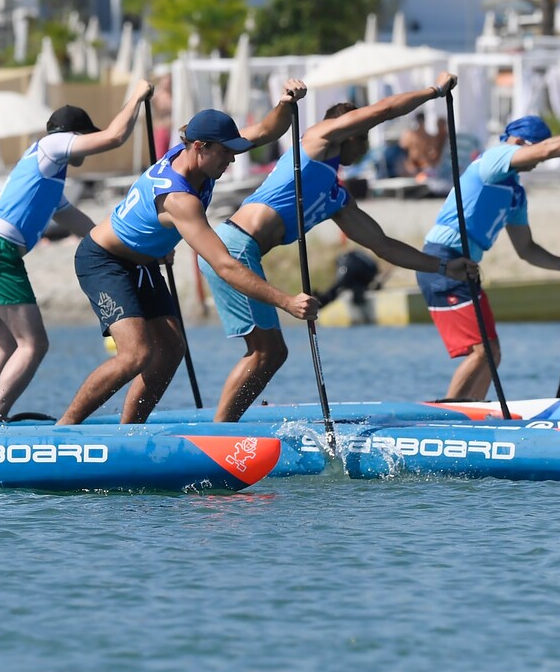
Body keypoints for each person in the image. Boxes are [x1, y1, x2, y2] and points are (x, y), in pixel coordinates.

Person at [198, 72, 478, 421]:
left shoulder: (336, 197)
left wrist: (443, 267)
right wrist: (434, 91)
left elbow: (383, 245)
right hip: (233, 249)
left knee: (270, 353)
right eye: (364, 139)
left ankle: (225, 428)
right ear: (350, 134)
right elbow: (385, 109)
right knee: (265, 352)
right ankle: (221, 433)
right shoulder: (318, 140)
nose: (366, 147)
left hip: (242, 252)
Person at [55, 83, 320, 427]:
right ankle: (64, 430)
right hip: (103, 260)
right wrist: (286, 302)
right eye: (227, 152)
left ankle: (128, 435)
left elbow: (269, 130)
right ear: (200, 147)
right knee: (136, 354)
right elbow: (225, 265)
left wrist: (285, 103)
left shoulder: (201, 156)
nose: (233, 159)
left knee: (171, 349)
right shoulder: (180, 198)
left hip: (144, 263)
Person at [0, 82, 154, 424]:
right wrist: (135, 97)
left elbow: (88, 230)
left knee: (5, 344)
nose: (83, 147)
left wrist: (133, 250)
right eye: (83, 138)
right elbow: (113, 137)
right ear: (73, 134)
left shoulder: (48, 178)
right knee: (34, 345)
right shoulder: (52, 145)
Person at [416, 112, 560, 401]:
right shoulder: (494, 159)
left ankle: (471, 415)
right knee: (482, 351)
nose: (539, 160)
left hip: (467, 267)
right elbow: (550, 149)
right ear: (517, 142)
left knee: (492, 353)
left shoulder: (515, 193)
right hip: (443, 262)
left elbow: (526, 248)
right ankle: (446, 417)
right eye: (535, 150)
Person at [398, 112, 444, 177]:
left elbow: (434, 154)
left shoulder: (429, 137)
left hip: (424, 166)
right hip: (414, 166)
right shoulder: (410, 135)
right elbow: (403, 148)